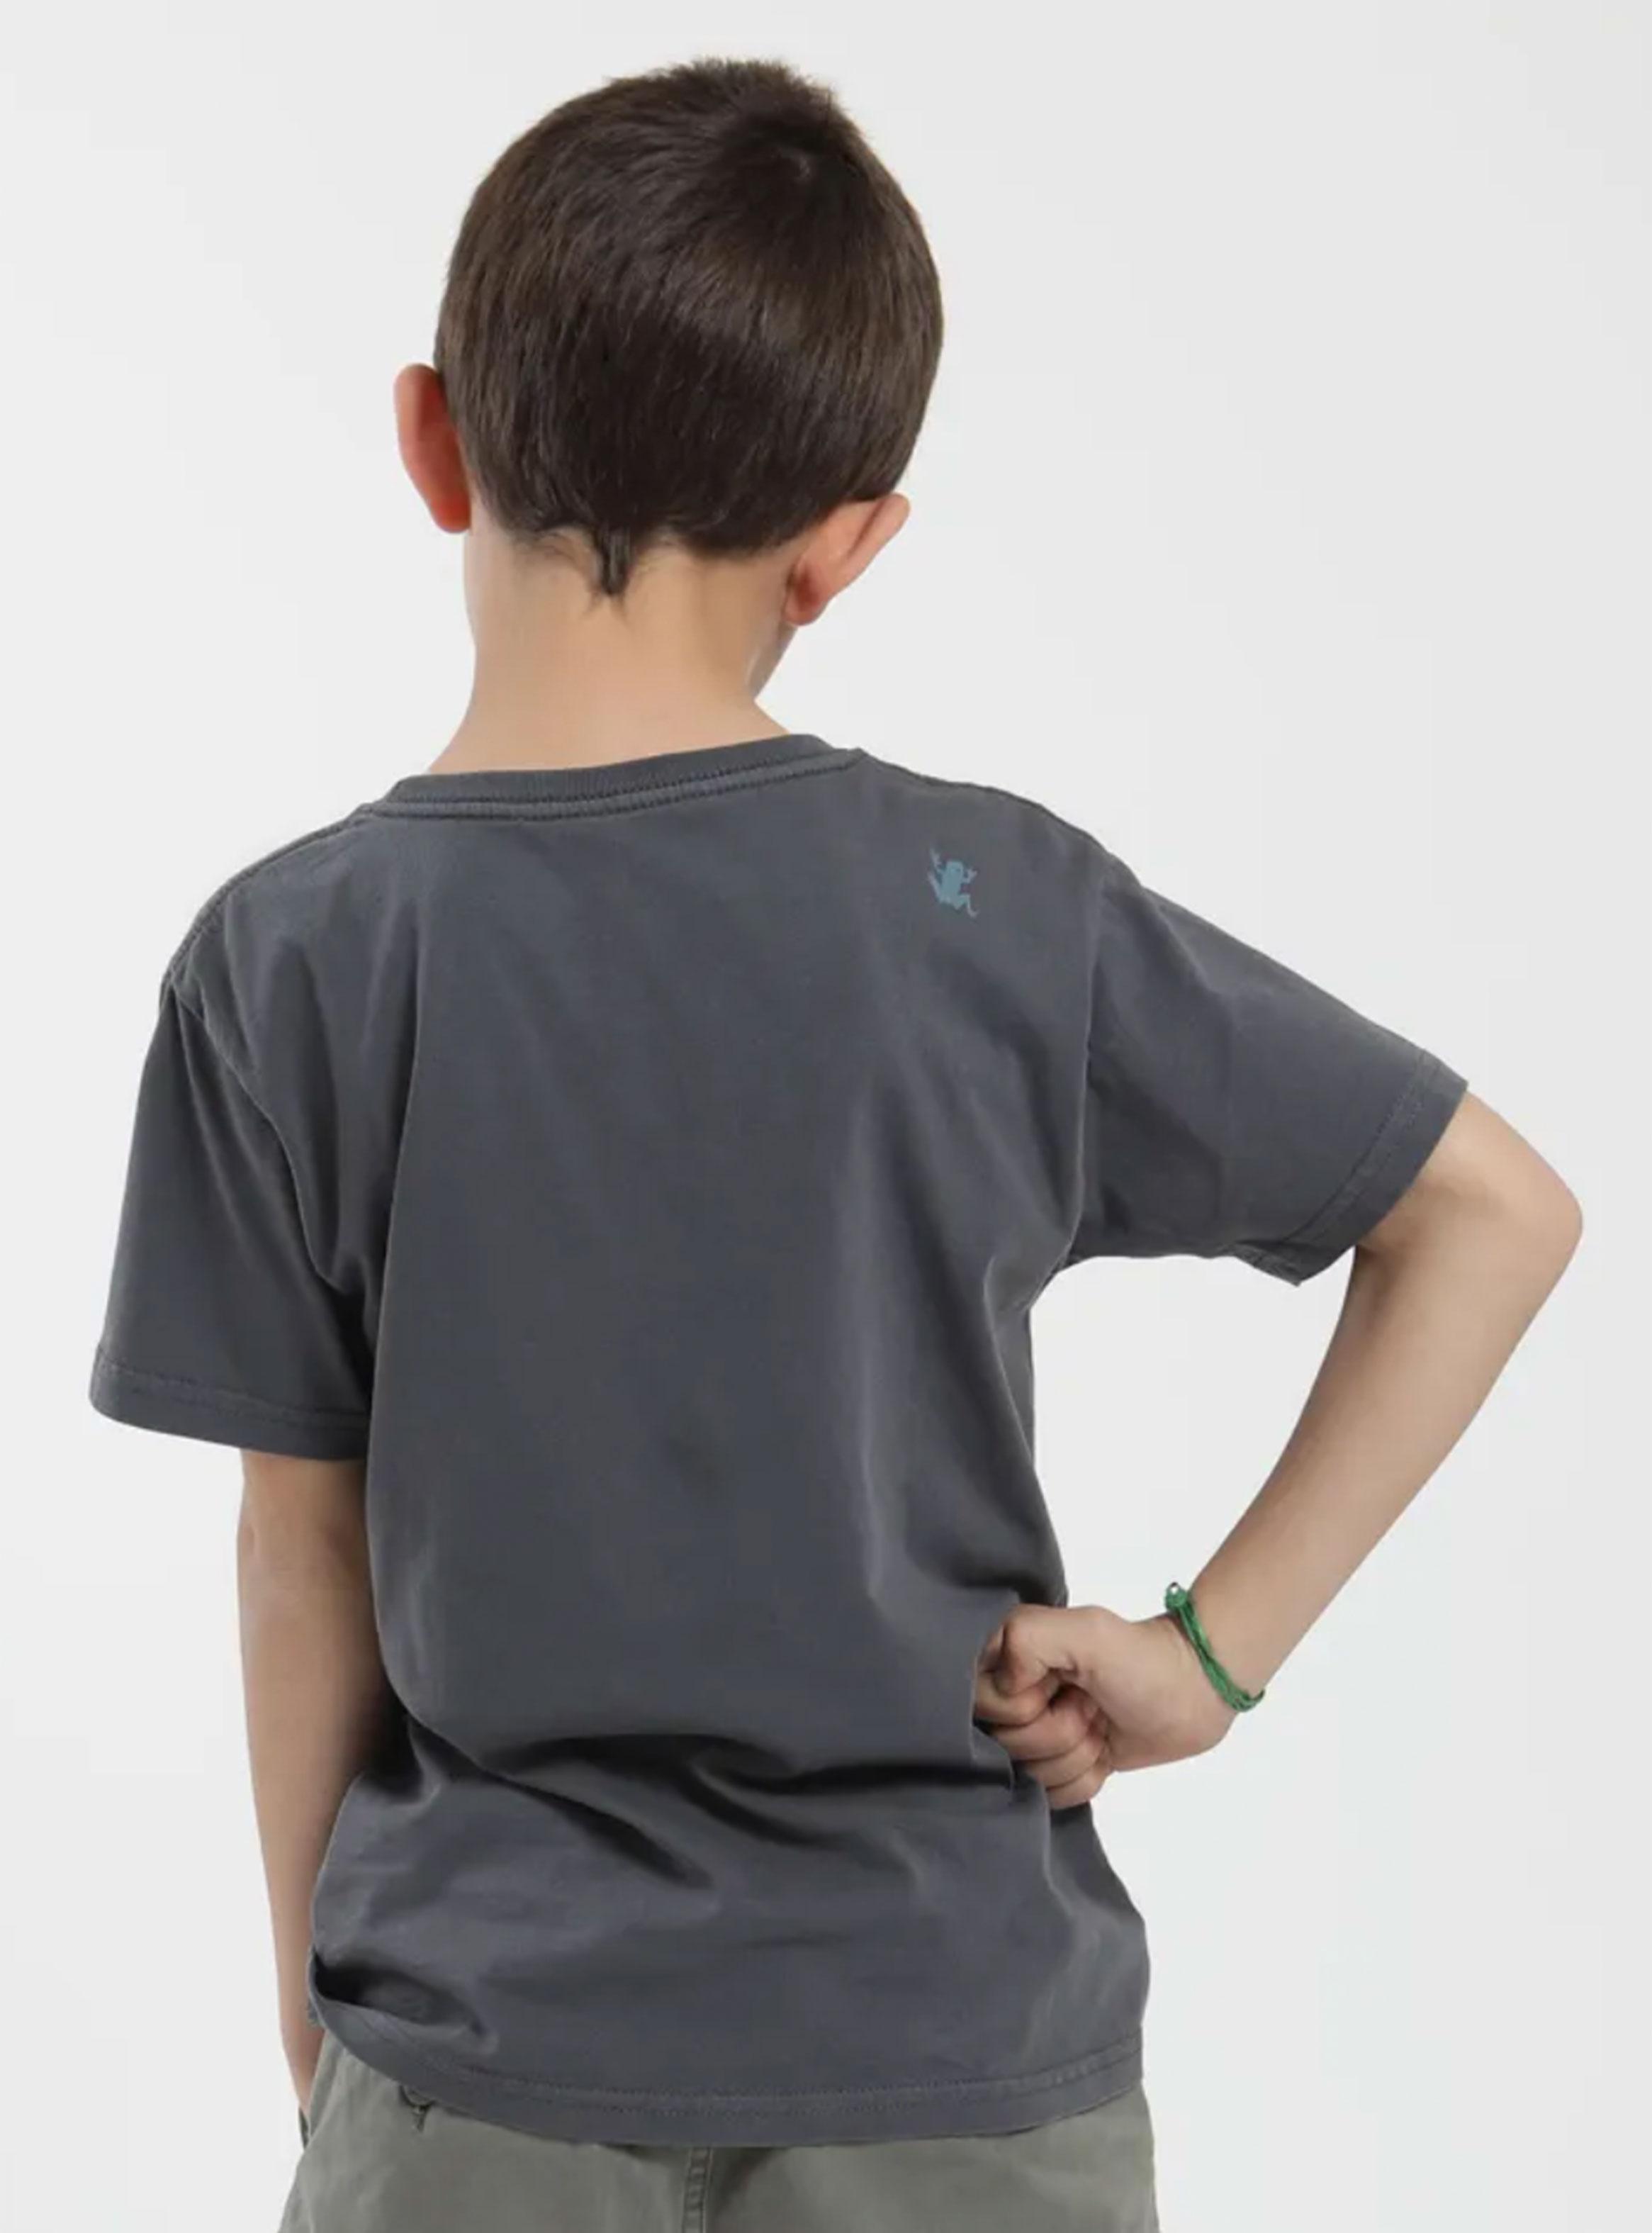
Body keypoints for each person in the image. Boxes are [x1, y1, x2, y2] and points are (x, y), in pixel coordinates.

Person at [87, 55, 1580, 2233]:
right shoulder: (991, 915)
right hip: (962, 2064)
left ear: (431, 441)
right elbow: (1488, 1212)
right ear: (849, 542)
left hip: (479, 2065)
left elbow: (294, 1553)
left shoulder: (288, 959)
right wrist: (1204, 1656)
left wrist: (325, 2032)